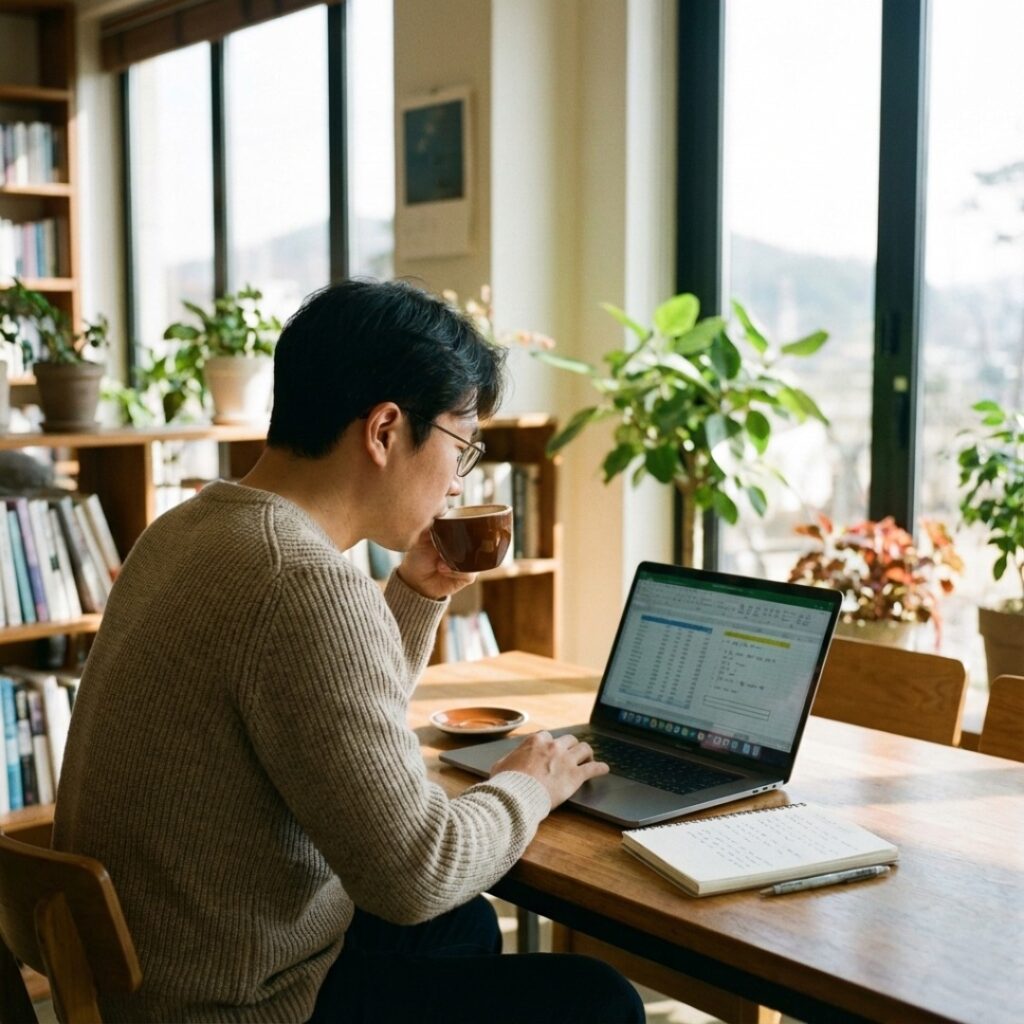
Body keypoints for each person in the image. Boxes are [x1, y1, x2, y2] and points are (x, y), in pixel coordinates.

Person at [53, 279, 645, 1024]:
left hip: (159, 966)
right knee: (596, 1002)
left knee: (455, 928)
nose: (458, 480)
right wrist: (531, 781)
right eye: (461, 447)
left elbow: (326, 722)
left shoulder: (190, 526)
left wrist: (417, 594)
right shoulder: (301, 580)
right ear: (386, 430)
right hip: (235, 1001)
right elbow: (417, 872)